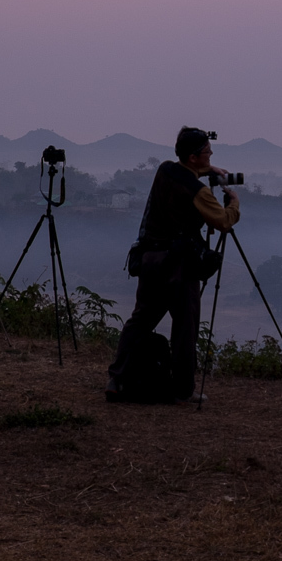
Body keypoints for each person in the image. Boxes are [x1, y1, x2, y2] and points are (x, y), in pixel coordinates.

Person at [106, 126, 239, 404]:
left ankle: (117, 378)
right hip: (180, 266)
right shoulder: (199, 193)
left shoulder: (165, 170)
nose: (211, 154)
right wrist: (234, 204)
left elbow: (184, 172)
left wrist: (209, 169)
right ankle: (183, 389)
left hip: (150, 260)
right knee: (185, 326)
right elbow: (223, 222)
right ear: (193, 157)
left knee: (140, 320)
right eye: (207, 152)